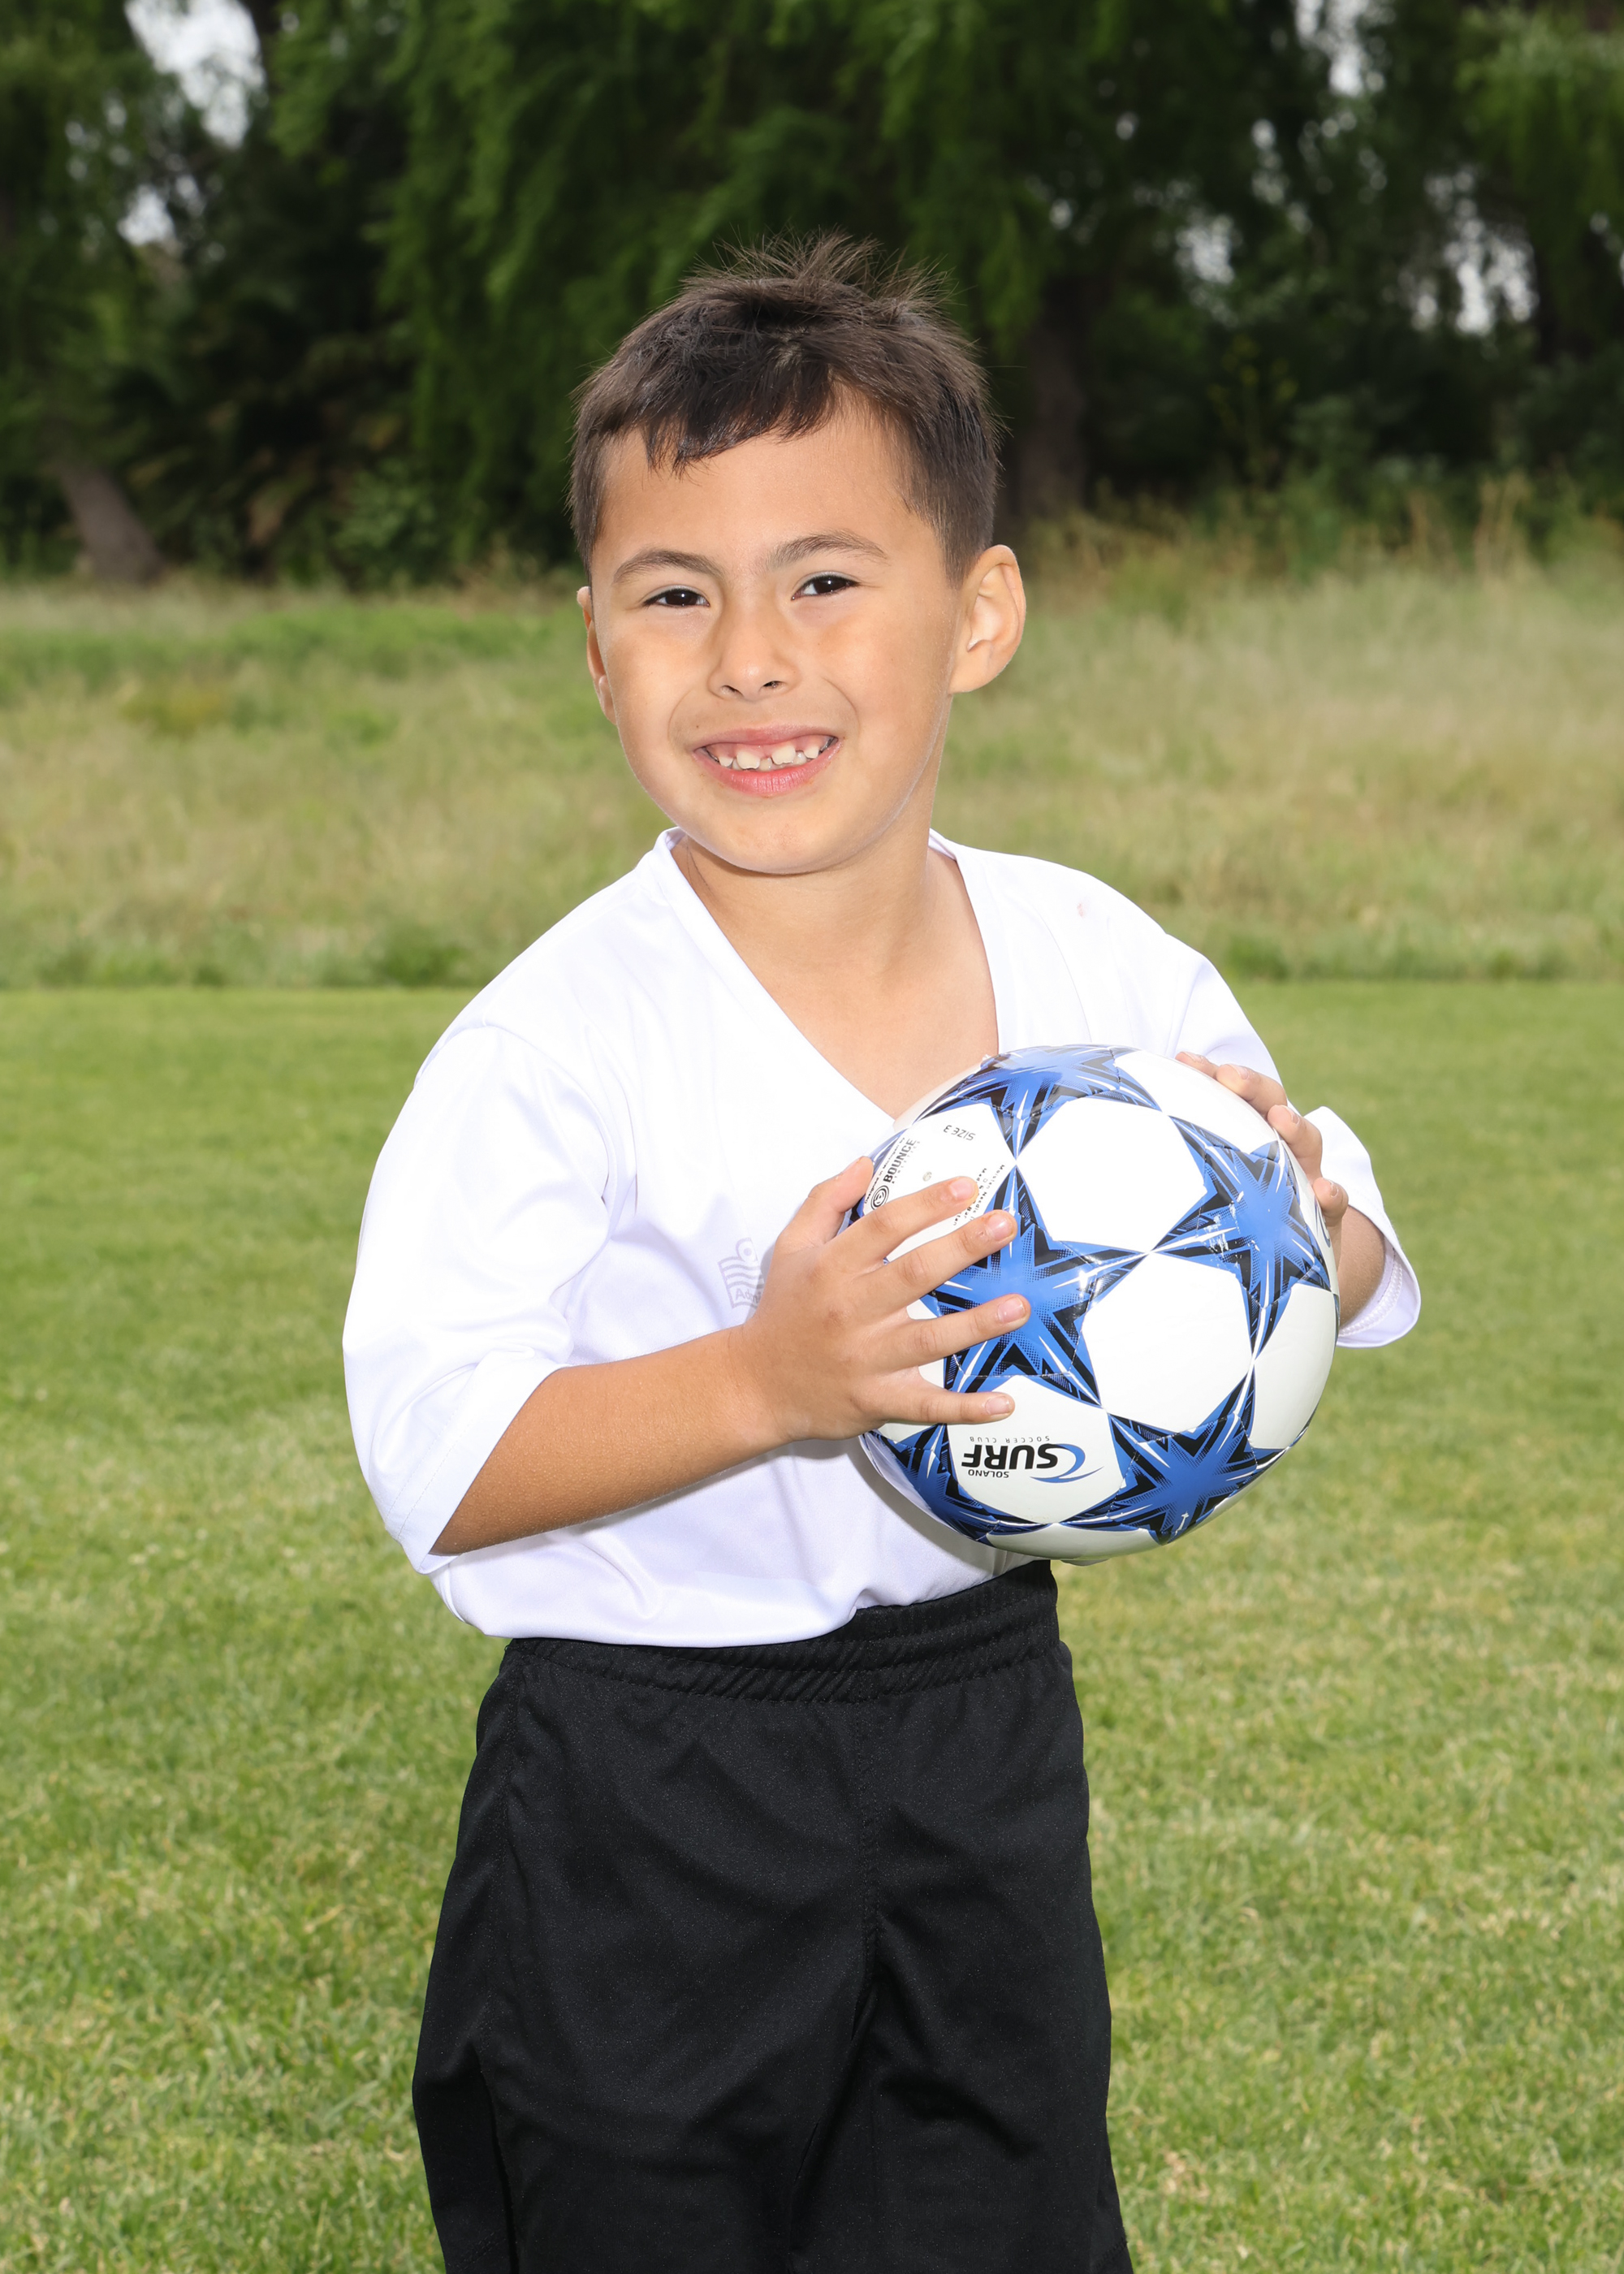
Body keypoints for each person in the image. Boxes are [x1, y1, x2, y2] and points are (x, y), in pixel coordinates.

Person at [343, 238, 1419, 2274]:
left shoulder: (1098, 965)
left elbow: (1340, 1252)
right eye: (675, 595)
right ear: (597, 650)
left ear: (978, 612)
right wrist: (766, 1379)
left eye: (824, 579)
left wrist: (1306, 1223)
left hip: (978, 1725)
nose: (750, 657)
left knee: (1000, 2213)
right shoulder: (554, 1038)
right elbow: (439, 1450)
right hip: (643, 1776)